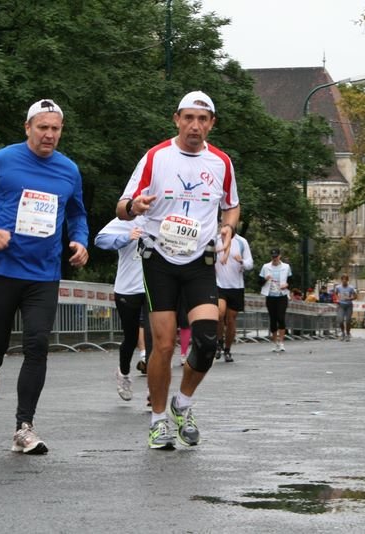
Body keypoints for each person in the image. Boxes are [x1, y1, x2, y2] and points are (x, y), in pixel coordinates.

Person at [0, 98, 89, 455]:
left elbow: (77, 213)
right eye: (43, 127)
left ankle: (24, 427)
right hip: (1, 269)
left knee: (37, 345)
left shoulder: (69, 170)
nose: (49, 135)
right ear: (28, 127)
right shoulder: (2, 160)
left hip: (43, 274)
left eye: (55, 129)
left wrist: (79, 240)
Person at [115, 90, 239, 450]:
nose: (195, 126)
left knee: (205, 340)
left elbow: (231, 206)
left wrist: (228, 227)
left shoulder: (221, 163)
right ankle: (157, 421)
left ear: (211, 124)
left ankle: (182, 402)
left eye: (202, 119)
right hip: (159, 259)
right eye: (188, 118)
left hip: (200, 260)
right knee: (165, 344)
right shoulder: (156, 157)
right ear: (177, 120)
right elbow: (122, 206)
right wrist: (135, 205)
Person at [95, 217, 148, 401]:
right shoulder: (128, 219)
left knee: (156, 337)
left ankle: (154, 389)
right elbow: (100, 240)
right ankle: (124, 373)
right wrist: (126, 237)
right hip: (128, 288)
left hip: (155, 289)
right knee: (131, 337)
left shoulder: (166, 217)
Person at [214, 232, 253, 362]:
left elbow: (250, 264)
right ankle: (219, 342)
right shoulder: (215, 239)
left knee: (231, 320)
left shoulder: (241, 241)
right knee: (219, 314)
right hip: (219, 284)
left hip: (236, 286)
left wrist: (241, 261)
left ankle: (227, 349)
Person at [259, 248, 291, 353]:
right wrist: (265, 279)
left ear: (279, 256)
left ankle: (281, 342)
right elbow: (259, 282)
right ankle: (274, 342)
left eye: (276, 256)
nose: (275, 258)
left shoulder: (286, 267)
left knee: (280, 317)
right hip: (270, 295)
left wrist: (286, 285)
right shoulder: (265, 267)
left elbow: (291, 281)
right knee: (273, 319)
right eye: (273, 257)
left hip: (282, 295)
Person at [334, 274, 356, 341]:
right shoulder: (338, 287)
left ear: (347, 280)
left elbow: (355, 296)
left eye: (345, 280)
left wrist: (350, 298)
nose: (344, 281)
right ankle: (343, 333)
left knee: (348, 320)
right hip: (341, 305)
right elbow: (335, 294)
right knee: (340, 320)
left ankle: (348, 333)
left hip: (349, 305)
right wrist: (337, 299)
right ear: (341, 280)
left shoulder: (351, 288)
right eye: (343, 279)